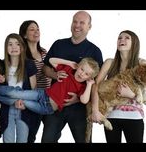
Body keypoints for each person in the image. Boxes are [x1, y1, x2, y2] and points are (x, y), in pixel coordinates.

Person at [41, 10, 103, 143]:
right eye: (75, 21)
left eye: (82, 22)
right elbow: (45, 68)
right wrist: (54, 74)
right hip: (55, 104)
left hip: (79, 108)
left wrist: (80, 99)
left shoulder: (94, 51)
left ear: (89, 27)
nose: (77, 25)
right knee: (47, 140)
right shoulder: (59, 44)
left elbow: (96, 83)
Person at [90, 30, 146, 143]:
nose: (122, 40)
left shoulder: (142, 63)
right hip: (111, 117)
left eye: (127, 38)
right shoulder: (109, 63)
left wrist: (131, 94)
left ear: (134, 43)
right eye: (119, 38)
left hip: (134, 117)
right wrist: (95, 110)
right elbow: (95, 85)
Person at [0, 57, 100, 116]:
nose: (81, 74)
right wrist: (70, 63)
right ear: (78, 66)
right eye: (81, 69)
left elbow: (84, 100)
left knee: (19, 101)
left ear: (89, 78)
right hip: (43, 93)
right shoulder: (68, 70)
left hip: (48, 108)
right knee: (18, 92)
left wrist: (90, 84)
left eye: (87, 74)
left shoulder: (82, 87)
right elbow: (51, 61)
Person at [0, 33, 37, 143]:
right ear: (6, 48)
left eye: (17, 44)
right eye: (10, 44)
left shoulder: (29, 64)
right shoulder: (2, 65)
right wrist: (1, 82)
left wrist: (26, 103)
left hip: (23, 108)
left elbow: (34, 89)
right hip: (7, 109)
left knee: (22, 140)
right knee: (8, 140)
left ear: (22, 47)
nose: (14, 47)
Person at [19, 20, 51, 143]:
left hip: (48, 99)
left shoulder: (44, 52)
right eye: (32, 29)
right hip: (32, 99)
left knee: (51, 135)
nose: (36, 32)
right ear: (25, 35)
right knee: (30, 136)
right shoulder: (22, 56)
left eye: (37, 29)